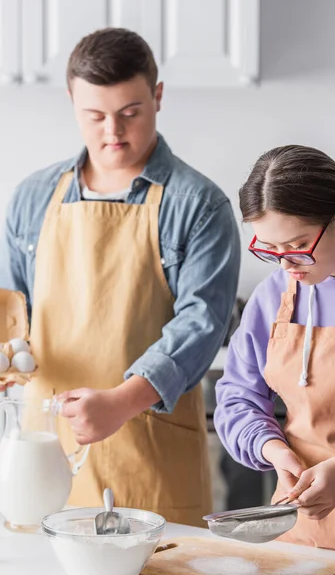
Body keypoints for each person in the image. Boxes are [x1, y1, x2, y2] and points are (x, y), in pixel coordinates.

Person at [0, 27, 241, 527]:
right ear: (71, 100)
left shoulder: (198, 205)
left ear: (157, 96)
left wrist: (120, 402)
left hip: (150, 455)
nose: (113, 131)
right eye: (95, 115)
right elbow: (11, 312)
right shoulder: (32, 198)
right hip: (44, 452)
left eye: (130, 112)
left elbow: (203, 323)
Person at [214, 144, 335, 560]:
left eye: (297, 245)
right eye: (270, 250)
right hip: (296, 543)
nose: (285, 266)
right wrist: (273, 450)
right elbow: (237, 396)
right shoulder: (275, 294)